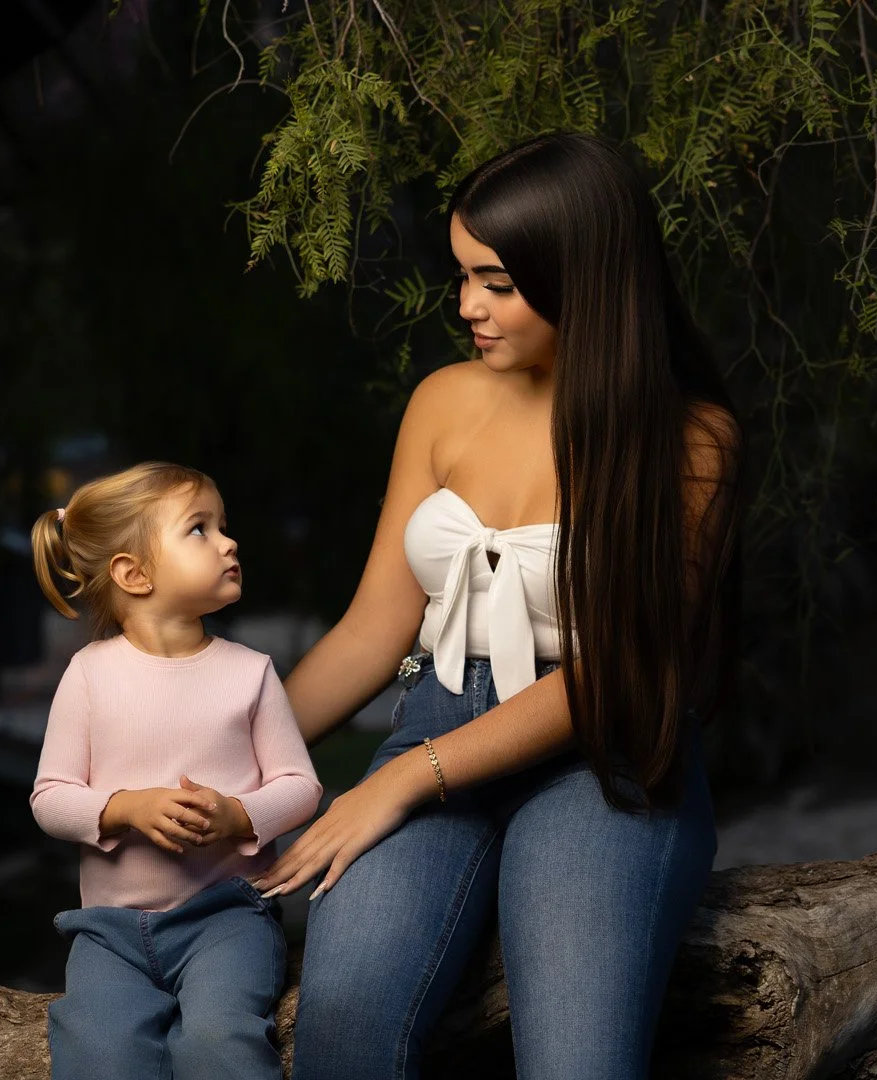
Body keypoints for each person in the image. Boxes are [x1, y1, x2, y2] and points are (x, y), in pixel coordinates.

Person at [254, 133, 742, 1080]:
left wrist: (397, 781)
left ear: (584, 279)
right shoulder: (443, 400)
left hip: (603, 762)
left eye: (497, 282)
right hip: (435, 718)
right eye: (462, 276)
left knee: (576, 1062)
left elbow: (617, 678)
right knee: (342, 1027)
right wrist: (233, 753)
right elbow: (373, 632)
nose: (469, 306)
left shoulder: (691, 441)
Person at [27, 461, 322, 1080]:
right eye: (200, 529)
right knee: (99, 1053)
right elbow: (50, 797)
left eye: (223, 526)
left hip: (227, 919)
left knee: (219, 1044)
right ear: (133, 574)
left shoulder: (250, 672)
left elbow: (300, 787)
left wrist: (236, 814)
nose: (228, 542)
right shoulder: (89, 675)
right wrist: (124, 808)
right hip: (111, 936)